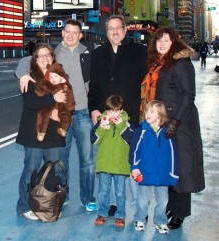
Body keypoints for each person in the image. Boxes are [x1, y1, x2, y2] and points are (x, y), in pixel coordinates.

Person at [17, 19, 95, 212]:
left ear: (80, 34)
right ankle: (62, 195)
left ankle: (87, 197)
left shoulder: (90, 52)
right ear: (62, 33)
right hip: (60, 116)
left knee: (87, 160)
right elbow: (29, 59)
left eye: (74, 32)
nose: (70, 35)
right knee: (61, 160)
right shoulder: (55, 53)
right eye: (67, 31)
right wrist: (23, 74)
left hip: (83, 112)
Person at [141, 27, 205, 229]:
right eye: (159, 40)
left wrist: (175, 121)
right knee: (169, 165)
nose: (161, 43)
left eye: (166, 40)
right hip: (163, 122)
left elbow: (188, 95)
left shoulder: (181, 63)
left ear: (174, 43)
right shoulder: (159, 64)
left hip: (181, 123)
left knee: (182, 167)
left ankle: (180, 212)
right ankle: (171, 205)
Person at [88, 14, 148, 215]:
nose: (115, 31)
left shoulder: (140, 52)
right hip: (106, 117)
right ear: (106, 32)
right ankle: (113, 203)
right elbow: (94, 87)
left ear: (125, 29)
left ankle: (139, 209)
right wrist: (94, 109)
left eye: (118, 27)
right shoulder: (97, 55)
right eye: (110, 28)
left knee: (132, 162)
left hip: (130, 117)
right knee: (109, 162)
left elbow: (145, 85)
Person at [15, 43, 67, 220]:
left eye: (48, 55)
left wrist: (61, 114)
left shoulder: (59, 77)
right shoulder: (28, 78)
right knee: (31, 169)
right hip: (33, 133)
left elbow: (67, 101)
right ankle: (24, 206)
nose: (45, 58)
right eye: (41, 55)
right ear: (34, 59)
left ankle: (48, 204)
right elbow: (32, 102)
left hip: (53, 132)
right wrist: (53, 98)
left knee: (52, 170)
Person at [130, 100, 178, 234]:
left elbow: (174, 155)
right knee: (143, 199)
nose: (147, 114)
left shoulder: (168, 133)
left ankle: (160, 220)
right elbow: (134, 150)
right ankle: (140, 218)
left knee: (163, 199)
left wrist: (174, 174)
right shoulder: (141, 130)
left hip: (162, 173)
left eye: (152, 111)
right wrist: (134, 167)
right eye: (146, 111)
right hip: (145, 172)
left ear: (160, 115)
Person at [90, 94, 132, 228]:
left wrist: (120, 126)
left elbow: (131, 140)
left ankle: (120, 215)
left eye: (115, 111)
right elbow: (94, 140)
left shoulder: (127, 123)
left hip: (120, 165)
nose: (112, 114)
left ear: (121, 111)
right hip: (104, 164)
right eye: (109, 111)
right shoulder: (101, 121)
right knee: (103, 191)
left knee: (120, 192)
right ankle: (102, 212)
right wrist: (101, 127)